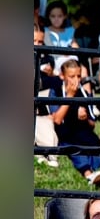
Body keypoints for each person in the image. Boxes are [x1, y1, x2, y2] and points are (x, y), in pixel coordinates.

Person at [49, 59, 100, 191]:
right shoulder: (56, 92)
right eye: (71, 77)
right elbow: (57, 120)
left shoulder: (84, 94)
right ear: (62, 76)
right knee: (77, 154)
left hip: (85, 133)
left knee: (98, 149)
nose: (75, 80)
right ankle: (89, 175)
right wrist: (70, 96)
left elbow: (92, 124)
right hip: (67, 135)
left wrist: (85, 118)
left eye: (78, 76)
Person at [35, 25, 59, 168]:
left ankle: (50, 155)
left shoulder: (47, 57)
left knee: (45, 123)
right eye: (34, 41)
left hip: (41, 99)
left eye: (40, 42)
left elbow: (53, 81)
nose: (38, 45)